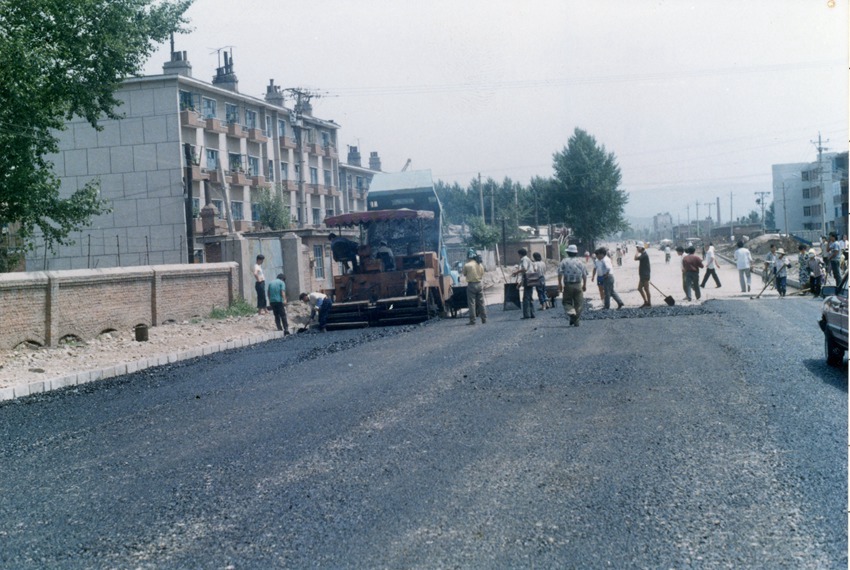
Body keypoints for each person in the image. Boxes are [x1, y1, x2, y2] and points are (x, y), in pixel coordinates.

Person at [558, 244, 587, 326]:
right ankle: (576, 320)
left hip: (568, 285)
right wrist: (584, 285)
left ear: (568, 253)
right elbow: (584, 275)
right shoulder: (580, 262)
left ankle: (571, 313)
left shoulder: (564, 261)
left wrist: (560, 284)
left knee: (566, 301)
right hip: (578, 285)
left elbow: (559, 273)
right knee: (579, 303)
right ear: (576, 253)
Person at [462, 248, 486, 325]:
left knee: (472, 303)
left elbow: (464, 274)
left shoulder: (467, 265)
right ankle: (484, 319)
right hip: (479, 284)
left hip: (471, 285)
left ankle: (473, 320)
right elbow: (482, 274)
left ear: (468, 256)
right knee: (481, 302)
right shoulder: (480, 265)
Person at [511, 247, 536, 319]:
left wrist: (516, 272)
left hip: (527, 279)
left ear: (520, 254)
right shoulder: (528, 259)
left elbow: (524, 269)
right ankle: (532, 313)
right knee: (529, 297)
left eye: (519, 254)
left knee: (526, 298)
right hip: (531, 278)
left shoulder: (524, 259)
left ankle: (527, 315)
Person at [634, 243, 651, 307]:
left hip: (645, 275)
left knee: (645, 289)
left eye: (638, 247)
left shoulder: (644, 255)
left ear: (641, 248)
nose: (637, 249)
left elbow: (635, 258)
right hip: (643, 275)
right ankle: (646, 302)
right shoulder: (644, 254)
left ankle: (648, 303)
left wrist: (636, 252)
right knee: (640, 289)